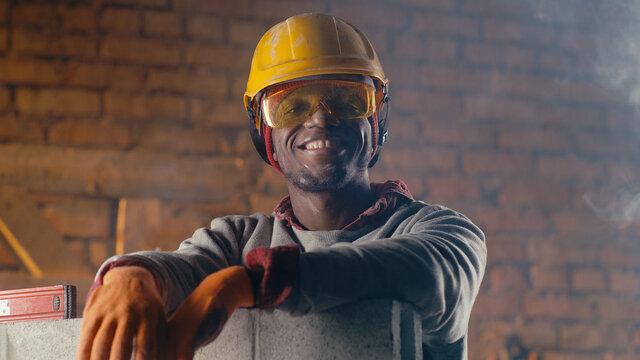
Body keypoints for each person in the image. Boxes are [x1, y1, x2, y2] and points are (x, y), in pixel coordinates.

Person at [77, 13, 486, 360]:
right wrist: (130, 277)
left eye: (346, 99)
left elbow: (420, 274)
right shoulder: (238, 242)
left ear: (377, 119)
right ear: (263, 132)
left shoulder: (446, 236)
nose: (321, 119)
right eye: (292, 106)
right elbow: (180, 269)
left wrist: (249, 282)